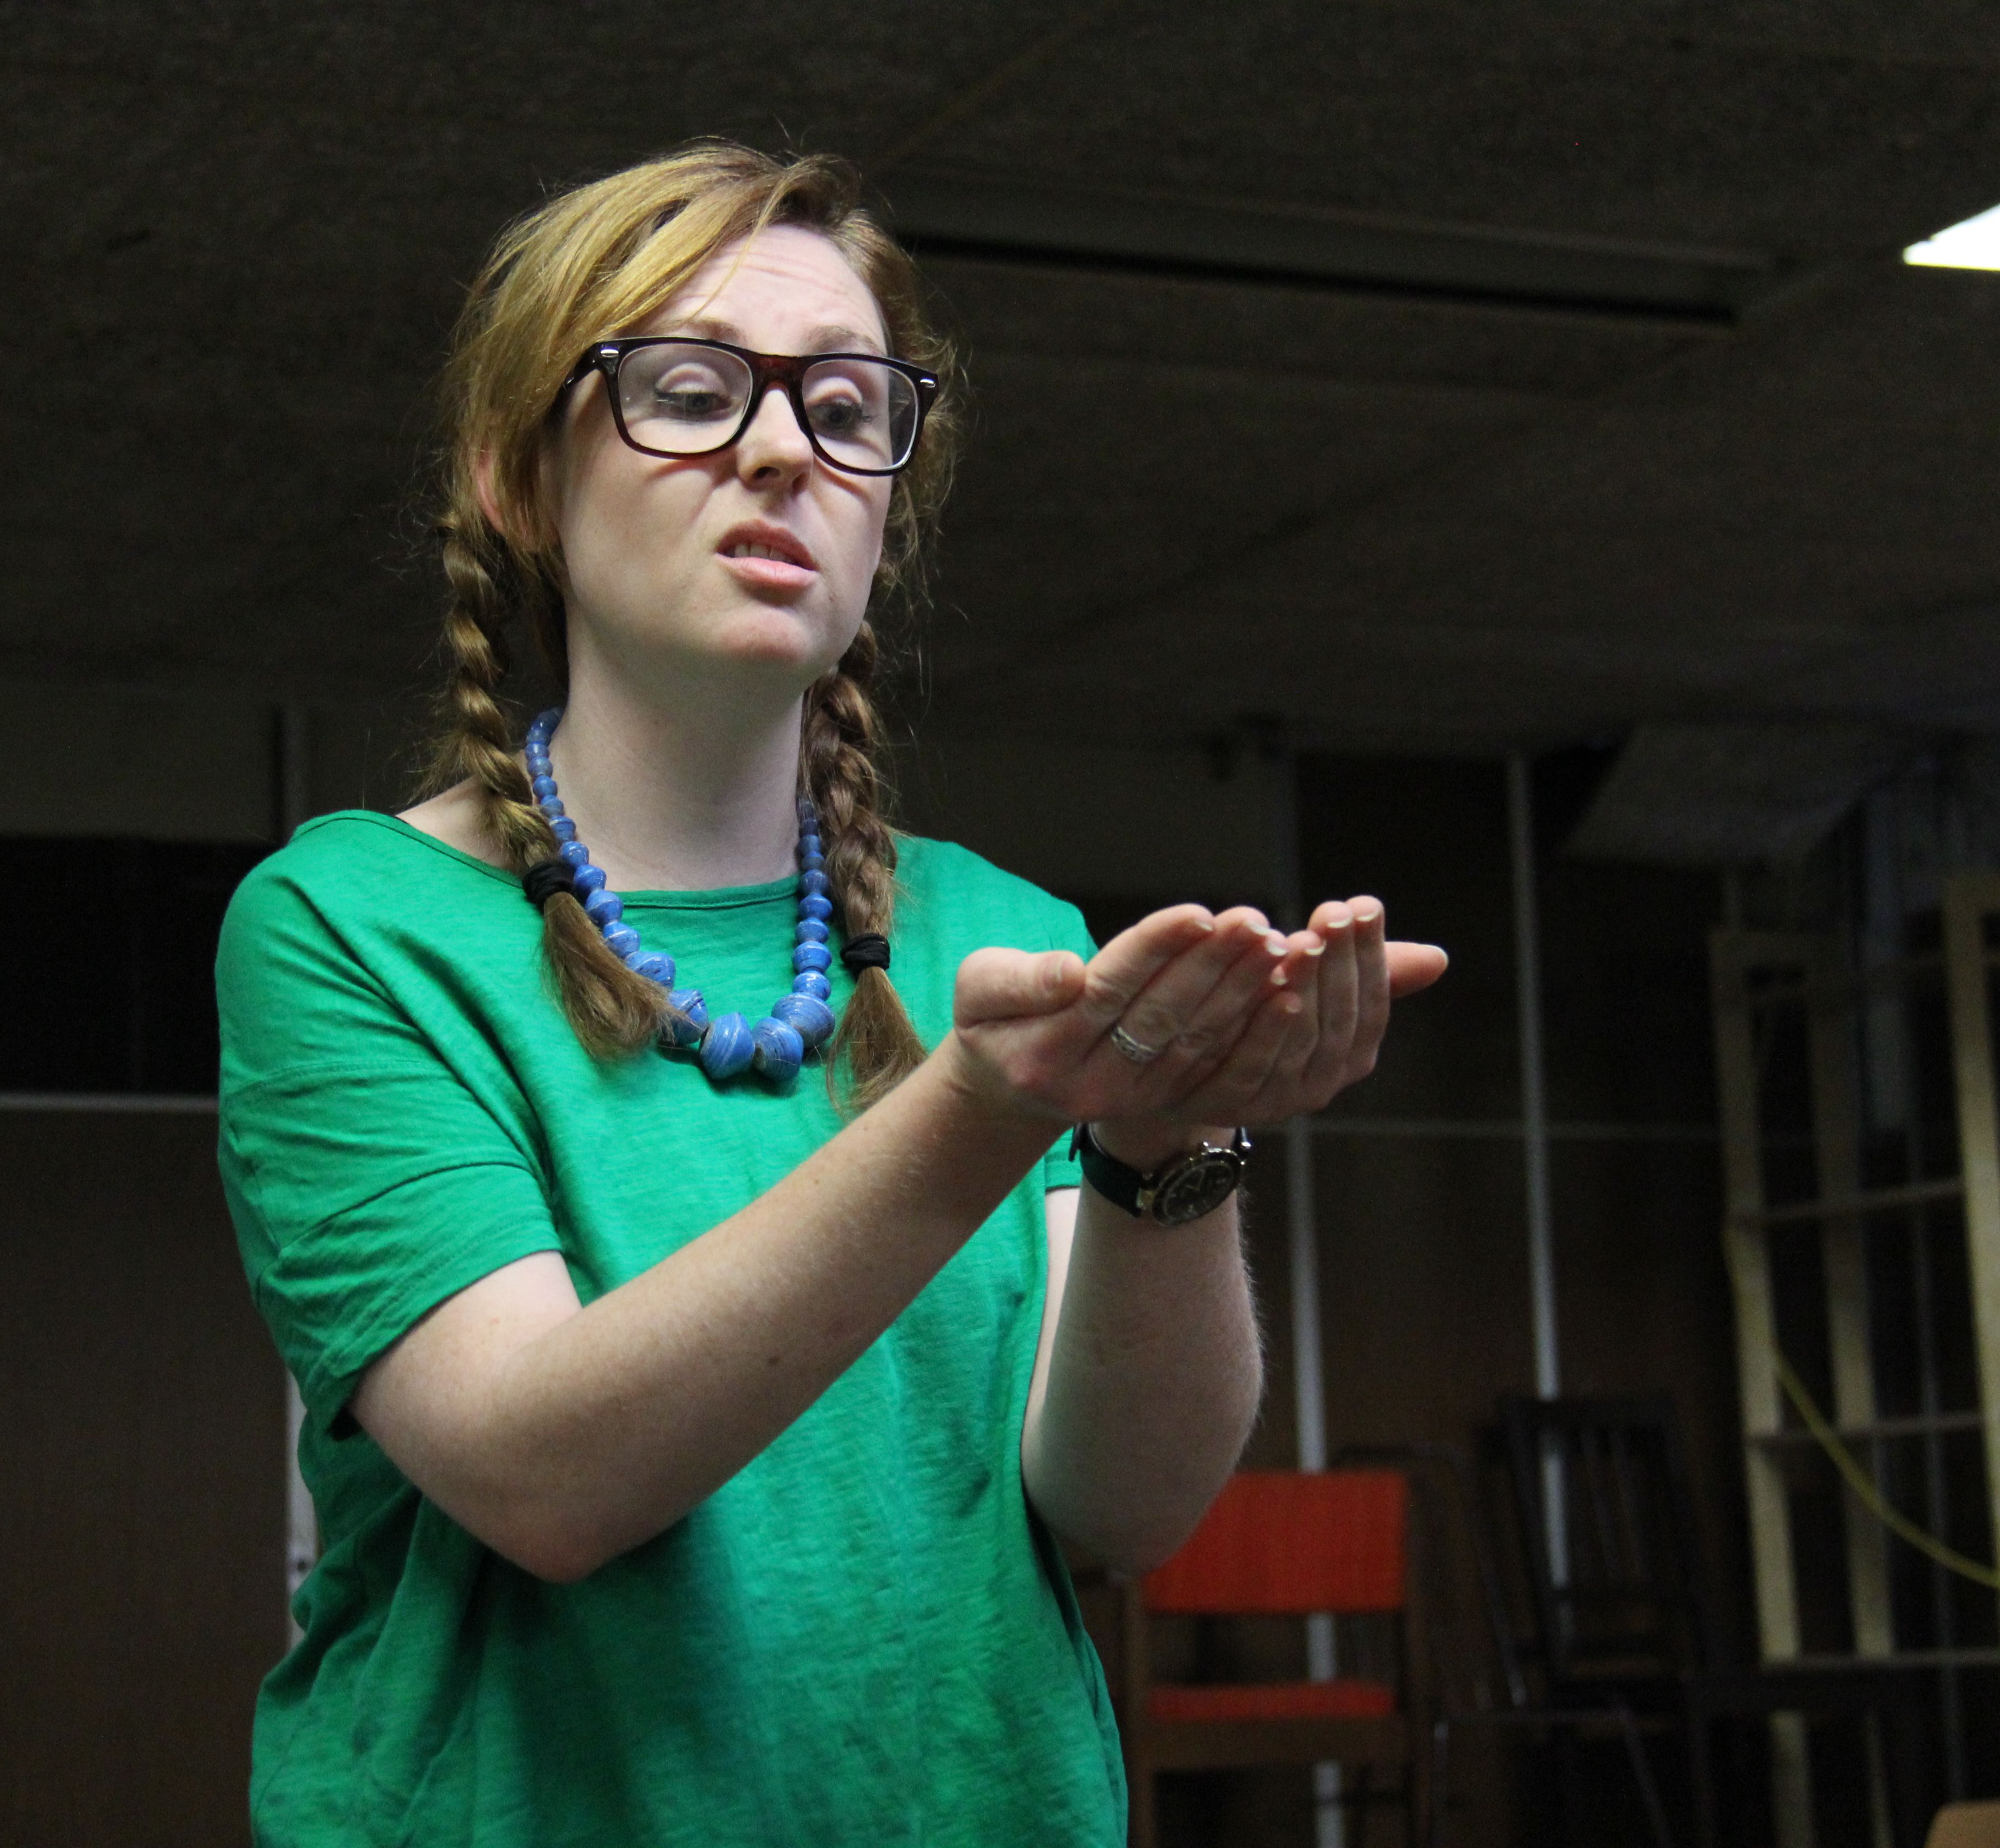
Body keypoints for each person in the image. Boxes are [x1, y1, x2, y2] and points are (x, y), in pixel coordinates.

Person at [215, 141, 1448, 1848]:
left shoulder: (1009, 943)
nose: (787, 448)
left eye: (848, 408)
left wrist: (1168, 1151)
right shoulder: (352, 926)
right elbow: (543, 1479)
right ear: (518, 480)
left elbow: (1122, 1516)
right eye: (691, 390)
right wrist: (983, 1109)